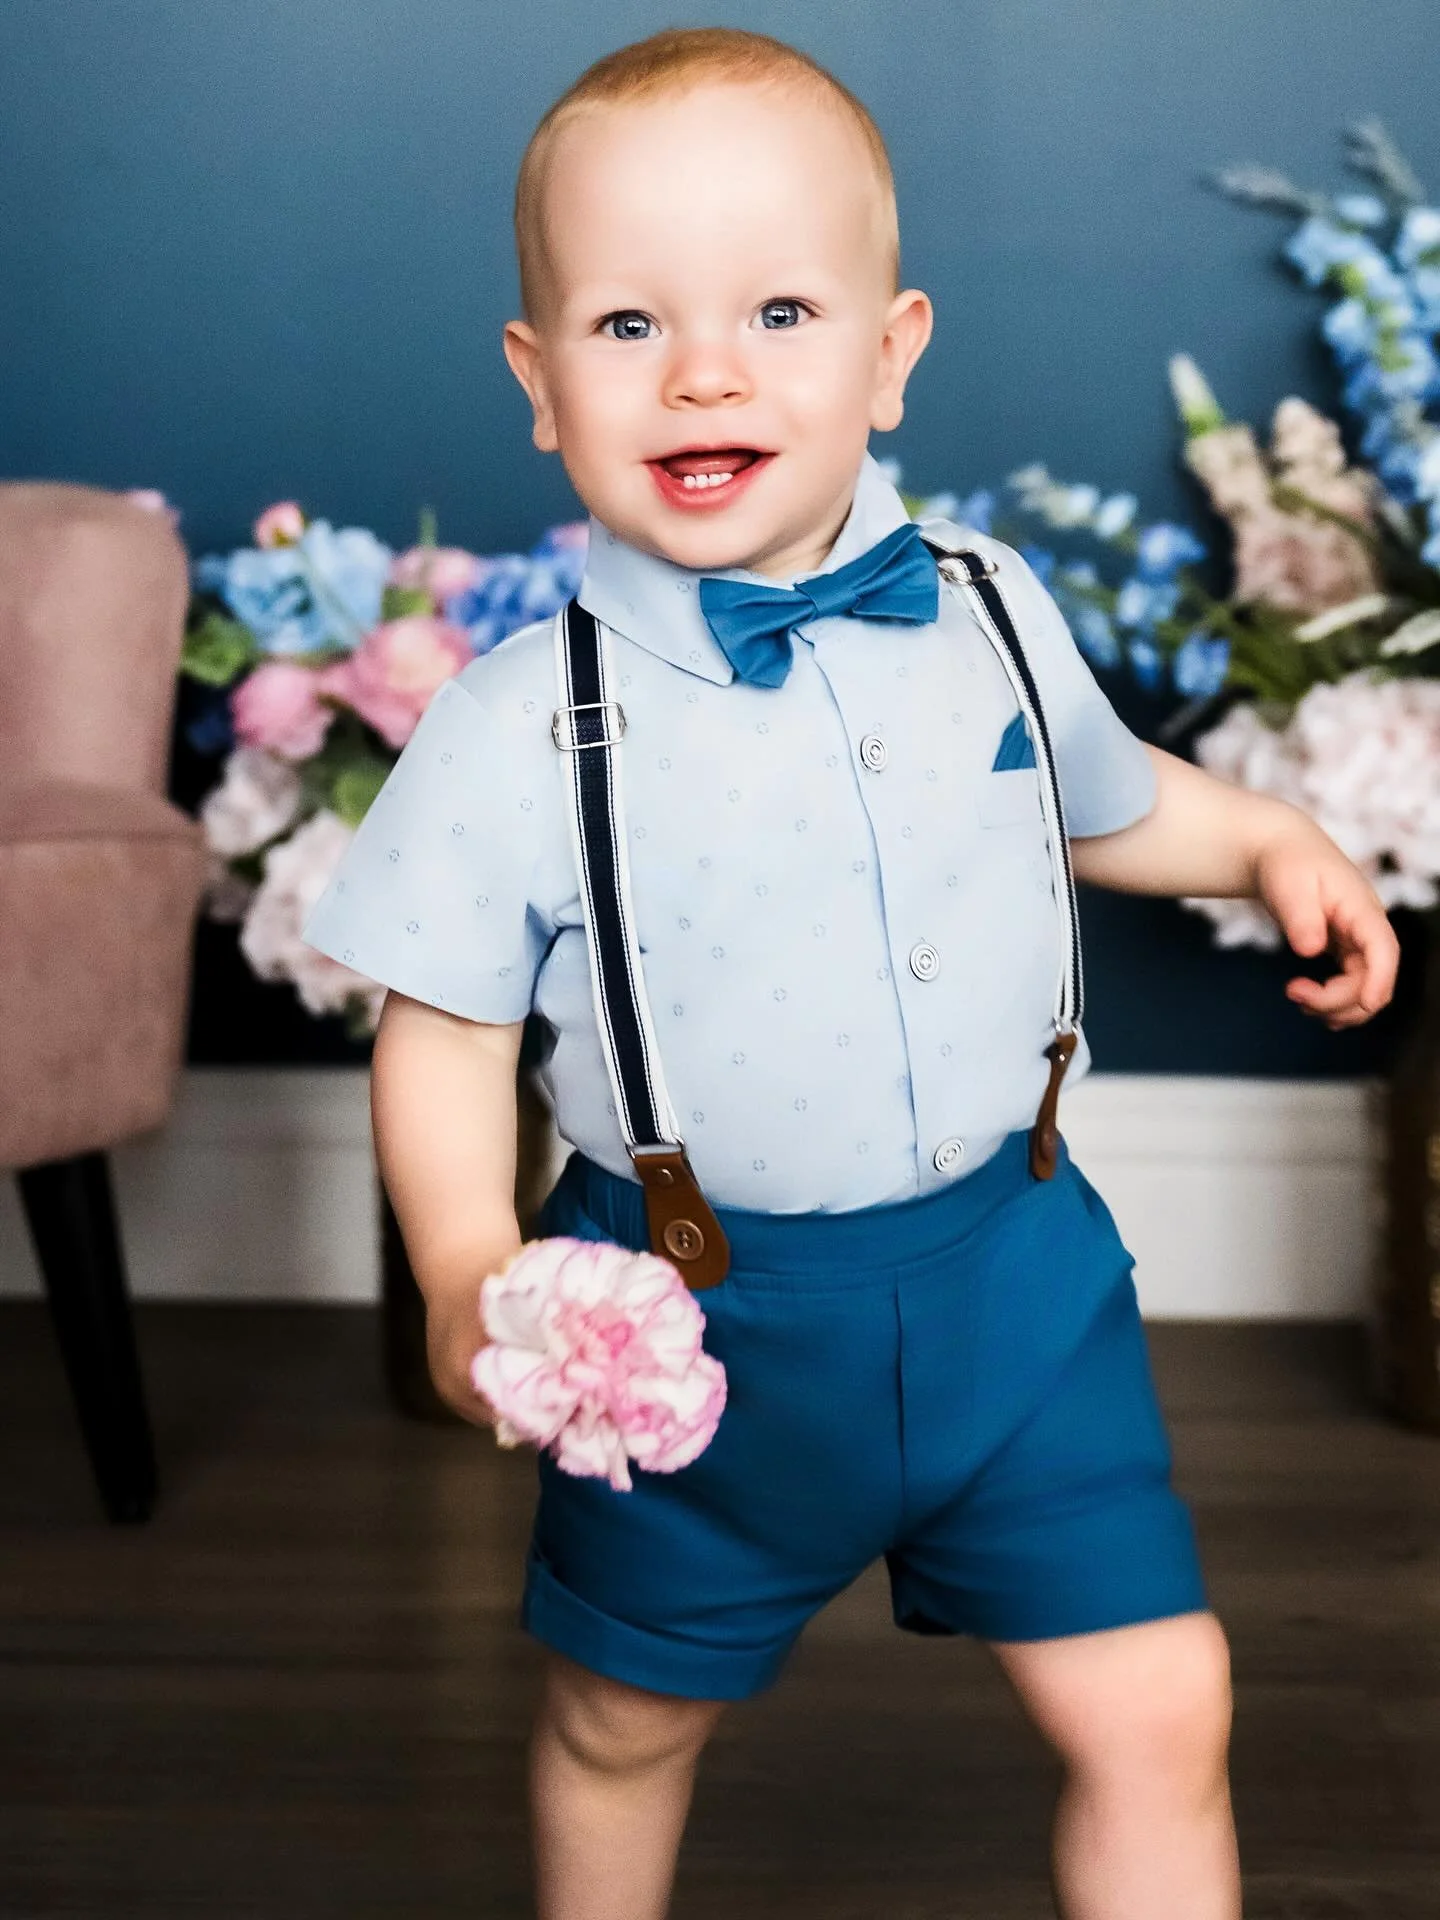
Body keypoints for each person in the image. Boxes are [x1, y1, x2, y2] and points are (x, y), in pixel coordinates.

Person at [301, 28, 1399, 1920]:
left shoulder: (986, 604)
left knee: (1162, 1705)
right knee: (624, 1722)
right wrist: (464, 1260)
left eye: (781, 312)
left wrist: (1266, 839)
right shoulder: (515, 724)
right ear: (540, 386)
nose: (706, 371)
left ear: (891, 357)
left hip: (1016, 1287)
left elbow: (1107, 801)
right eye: (629, 324)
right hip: (695, 1319)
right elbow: (445, 1028)